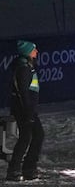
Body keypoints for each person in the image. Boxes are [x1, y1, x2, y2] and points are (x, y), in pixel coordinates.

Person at [6, 40, 43, 182]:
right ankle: (20, 169)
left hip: (27, 108)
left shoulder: (26, 66)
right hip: (25, 109)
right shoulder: (23, 68)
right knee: (31, 136)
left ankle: (24, 168)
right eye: (34, 50)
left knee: (30, 136)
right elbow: (23, 92)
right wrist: (28, 111)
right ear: (28, 52)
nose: (36, 52)